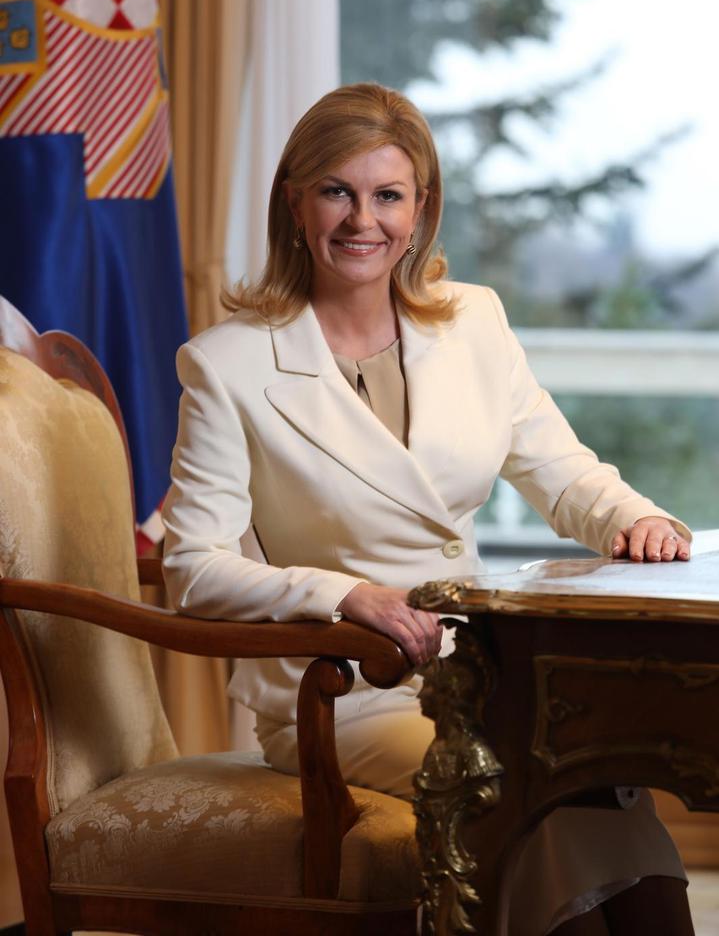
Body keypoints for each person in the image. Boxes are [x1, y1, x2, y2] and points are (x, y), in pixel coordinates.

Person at [162, 83, 694, 935]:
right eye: (336, 191)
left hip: (480, 674)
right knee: (530, 789)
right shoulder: (228, 365)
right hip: (344, 694)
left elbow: (560, 472)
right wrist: (346, 595)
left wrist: (635, 519)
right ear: (294, 203)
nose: (360, 220)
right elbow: (192, 567)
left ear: (420, 209)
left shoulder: (472, 321)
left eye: (387, 195)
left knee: (600, 785)